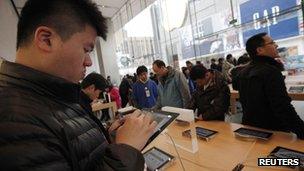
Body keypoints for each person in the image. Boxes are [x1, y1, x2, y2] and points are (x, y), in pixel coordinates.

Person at [0, 0, 157, 170]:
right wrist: (127, 148)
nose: (89, 62)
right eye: (86, 49)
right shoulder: (15, 121)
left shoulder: (52, 96)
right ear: (46, 40)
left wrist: (108, 140)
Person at [233, 32, 304, 139]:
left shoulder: (243, 72)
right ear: (260, 50)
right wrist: (301, 130)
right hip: (273, 130)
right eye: (272, 43)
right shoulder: (270, 71)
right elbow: (282, 107)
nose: (276, 45)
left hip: (250, 128)